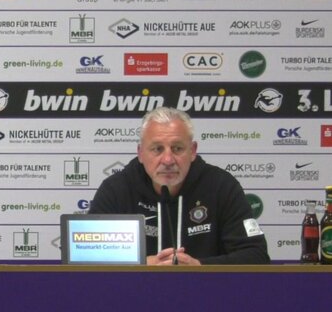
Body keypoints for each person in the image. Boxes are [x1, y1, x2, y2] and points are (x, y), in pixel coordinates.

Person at [89, 107, 269, 265]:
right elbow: (86, 256)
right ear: (141, 153)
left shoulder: (222, 187)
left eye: (177, 149)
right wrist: (140, 264)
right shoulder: (116, 190)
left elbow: (257, 256)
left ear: (192, 151)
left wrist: (199, 267)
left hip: (204, 291)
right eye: (157, 149)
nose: (168, 160)